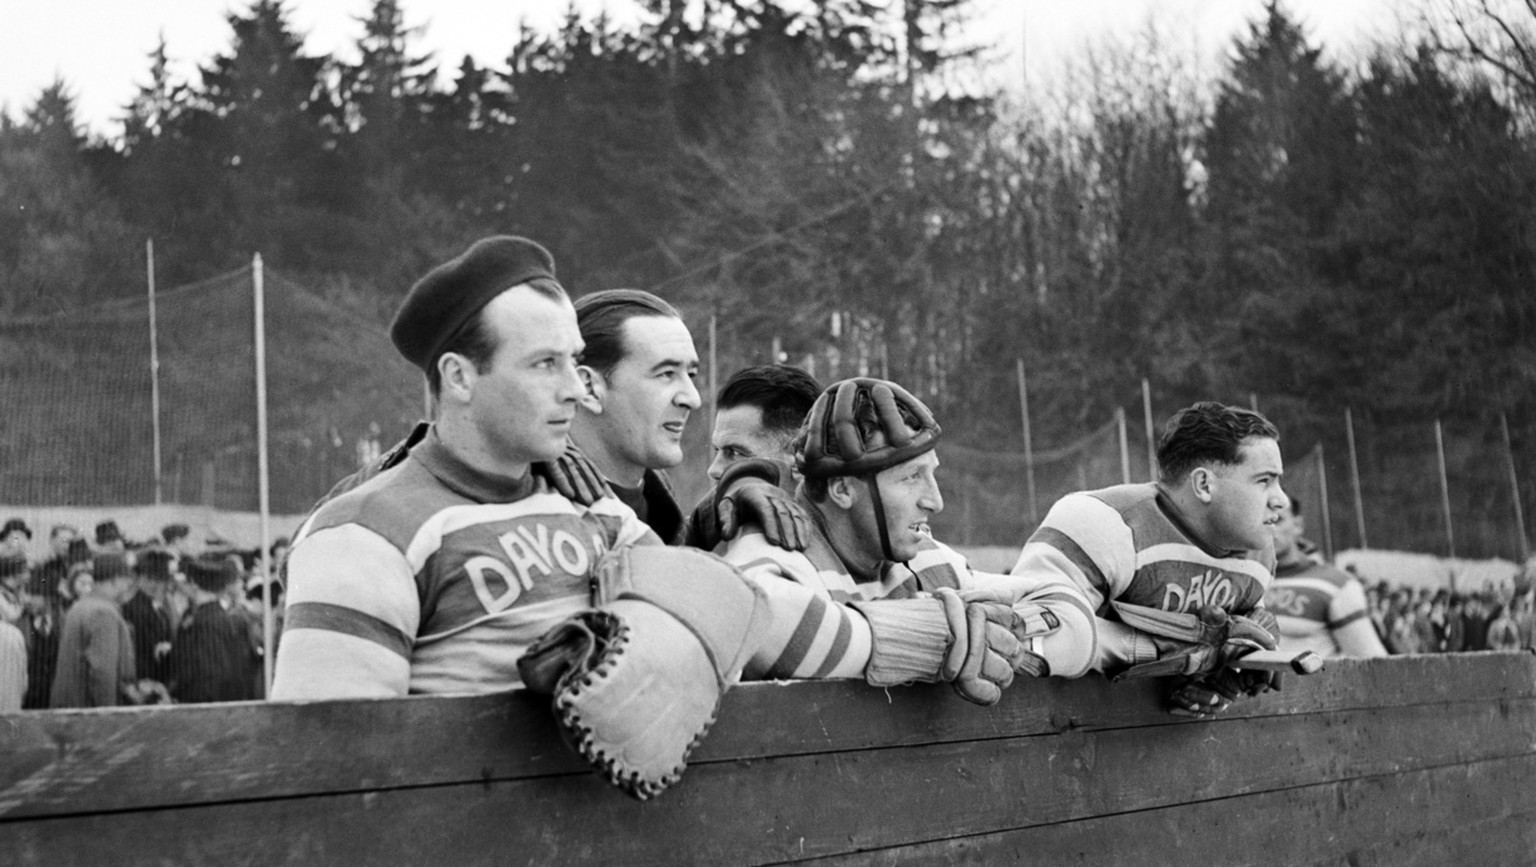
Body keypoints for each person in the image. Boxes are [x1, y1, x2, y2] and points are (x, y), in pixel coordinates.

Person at [272, 237, 1014, 703]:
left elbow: (745, 616)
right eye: (543, 364)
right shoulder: (363, 533)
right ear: (460, 376)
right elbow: (335, 784)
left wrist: (923, 637)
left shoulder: (598, 515)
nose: (573, 384)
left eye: (574, 360)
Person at [722, 377, 1098, 683]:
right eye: (911, 477)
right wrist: (933, 634)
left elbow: (1071, 617)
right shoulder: (778, 540)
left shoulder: (927, 554)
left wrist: (980, 636)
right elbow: (768, 628)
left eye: (931, 473)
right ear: (841, 489)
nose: (935, 500)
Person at [1011, 400, 1286, 718]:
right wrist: (1166, 651)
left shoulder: (1259, 552)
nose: (1281, 499)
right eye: (1264, 481)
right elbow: (1026, 634)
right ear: (1204, 484)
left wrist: (1233, 666)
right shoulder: (1104, 521)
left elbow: (1232, 642)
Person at [569, 289, 700, 544]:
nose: (693, 399)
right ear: (589, 388)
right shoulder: (537, 531)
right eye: (666, 374)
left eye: (691, 374)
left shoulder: (664, 513)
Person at [1263, 498, 1387, 658]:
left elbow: (1370, 661)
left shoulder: (1337, 585)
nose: (1271, 529)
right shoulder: (1240, 583)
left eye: (1278, 520)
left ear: (1297, 525)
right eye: (1262, 521)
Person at [50, 553, 147, 708]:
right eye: (127, 583)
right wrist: (108, 715)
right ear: (115, 580)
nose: (129, 589)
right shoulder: (103, 613)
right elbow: (103, 673)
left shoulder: (80, 606)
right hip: (88, 717)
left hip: (69, 712)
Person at [166, 554, 256, 703]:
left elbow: (208, 675)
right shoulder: (229, 617)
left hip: (204, 707)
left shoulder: (202, 622)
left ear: (194, 584)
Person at [121, 548, 178, 687]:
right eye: (150, 579)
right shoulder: (132, 608)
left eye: (160, 580)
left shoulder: (159, 606)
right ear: (140, 578)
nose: (156, 585)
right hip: (147, 678)